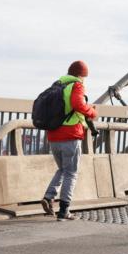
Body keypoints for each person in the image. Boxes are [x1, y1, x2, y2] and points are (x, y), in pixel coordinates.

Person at [41, 60, 98, 221]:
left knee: (62, 170)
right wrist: (92, 112)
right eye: (84, 77)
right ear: (81, 75)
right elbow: (78, 104)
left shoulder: (57, 85)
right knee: (71, 173)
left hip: (53, 135)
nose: (84, 80)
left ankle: (48, 196)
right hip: (70, 135)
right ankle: (64, 210)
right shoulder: (77, 85)